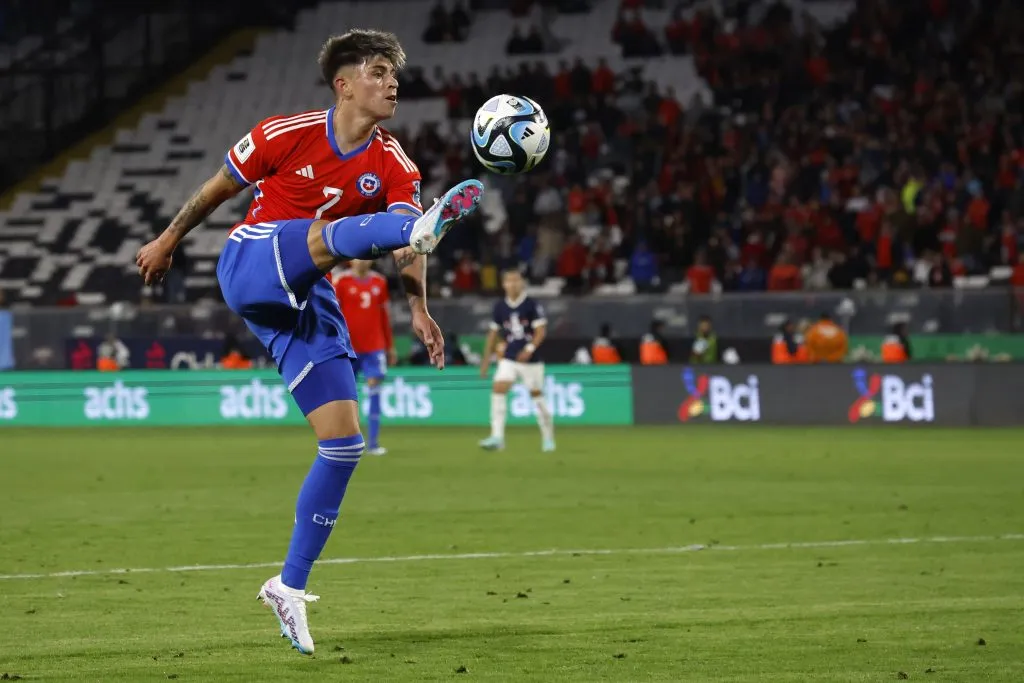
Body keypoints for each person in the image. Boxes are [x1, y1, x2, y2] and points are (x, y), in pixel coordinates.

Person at [135, 29, 483, 656]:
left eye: (394, 73)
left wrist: (419, 307)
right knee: (338, 231)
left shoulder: (396, 164)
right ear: (344, 83)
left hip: (306, 294)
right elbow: (219, 188)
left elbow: (406, 245)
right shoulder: (284, 132)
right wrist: (167, 241)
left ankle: (287, 586)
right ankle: (418, 222)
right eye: (378, 71)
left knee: (344, 443)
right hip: (252, 259)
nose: (392, 82)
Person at [478, 267, 555, 452]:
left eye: (516, 280)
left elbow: (540, 331)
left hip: (531, 360)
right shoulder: (500, 307)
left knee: (536, 396)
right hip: (510, 357)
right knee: (498, 388)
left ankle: (548, 437)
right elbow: (493, 333)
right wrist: (486, 359)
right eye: (509, 281)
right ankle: (497, 437)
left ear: (522, 283)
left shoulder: (531, 305)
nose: (512, 284)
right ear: (504, 284)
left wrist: (529, 348)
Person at [333, 259, 396, 455]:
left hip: (374, 347)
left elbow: (384, 316)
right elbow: (332, 316)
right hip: (348, 347)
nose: (363, 261)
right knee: (345, 396)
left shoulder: (380, 282)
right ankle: (343, 442)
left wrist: (390, 346)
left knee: (374, 390)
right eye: (359, 257)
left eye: (367, 257)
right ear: (351, 260)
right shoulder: (340, 282)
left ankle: (374, 443)